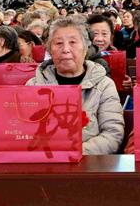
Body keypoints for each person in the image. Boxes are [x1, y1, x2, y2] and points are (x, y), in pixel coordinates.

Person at [26, 18, 124, 155]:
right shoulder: (33, 85)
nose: (65, 49)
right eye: (58, 43)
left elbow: (112, 134)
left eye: (73, 42)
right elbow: (26, 133)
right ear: (49, 50)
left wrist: (74, 153)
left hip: (89, 165)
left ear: (85, 48)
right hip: (44, 164)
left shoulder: (104, 85)